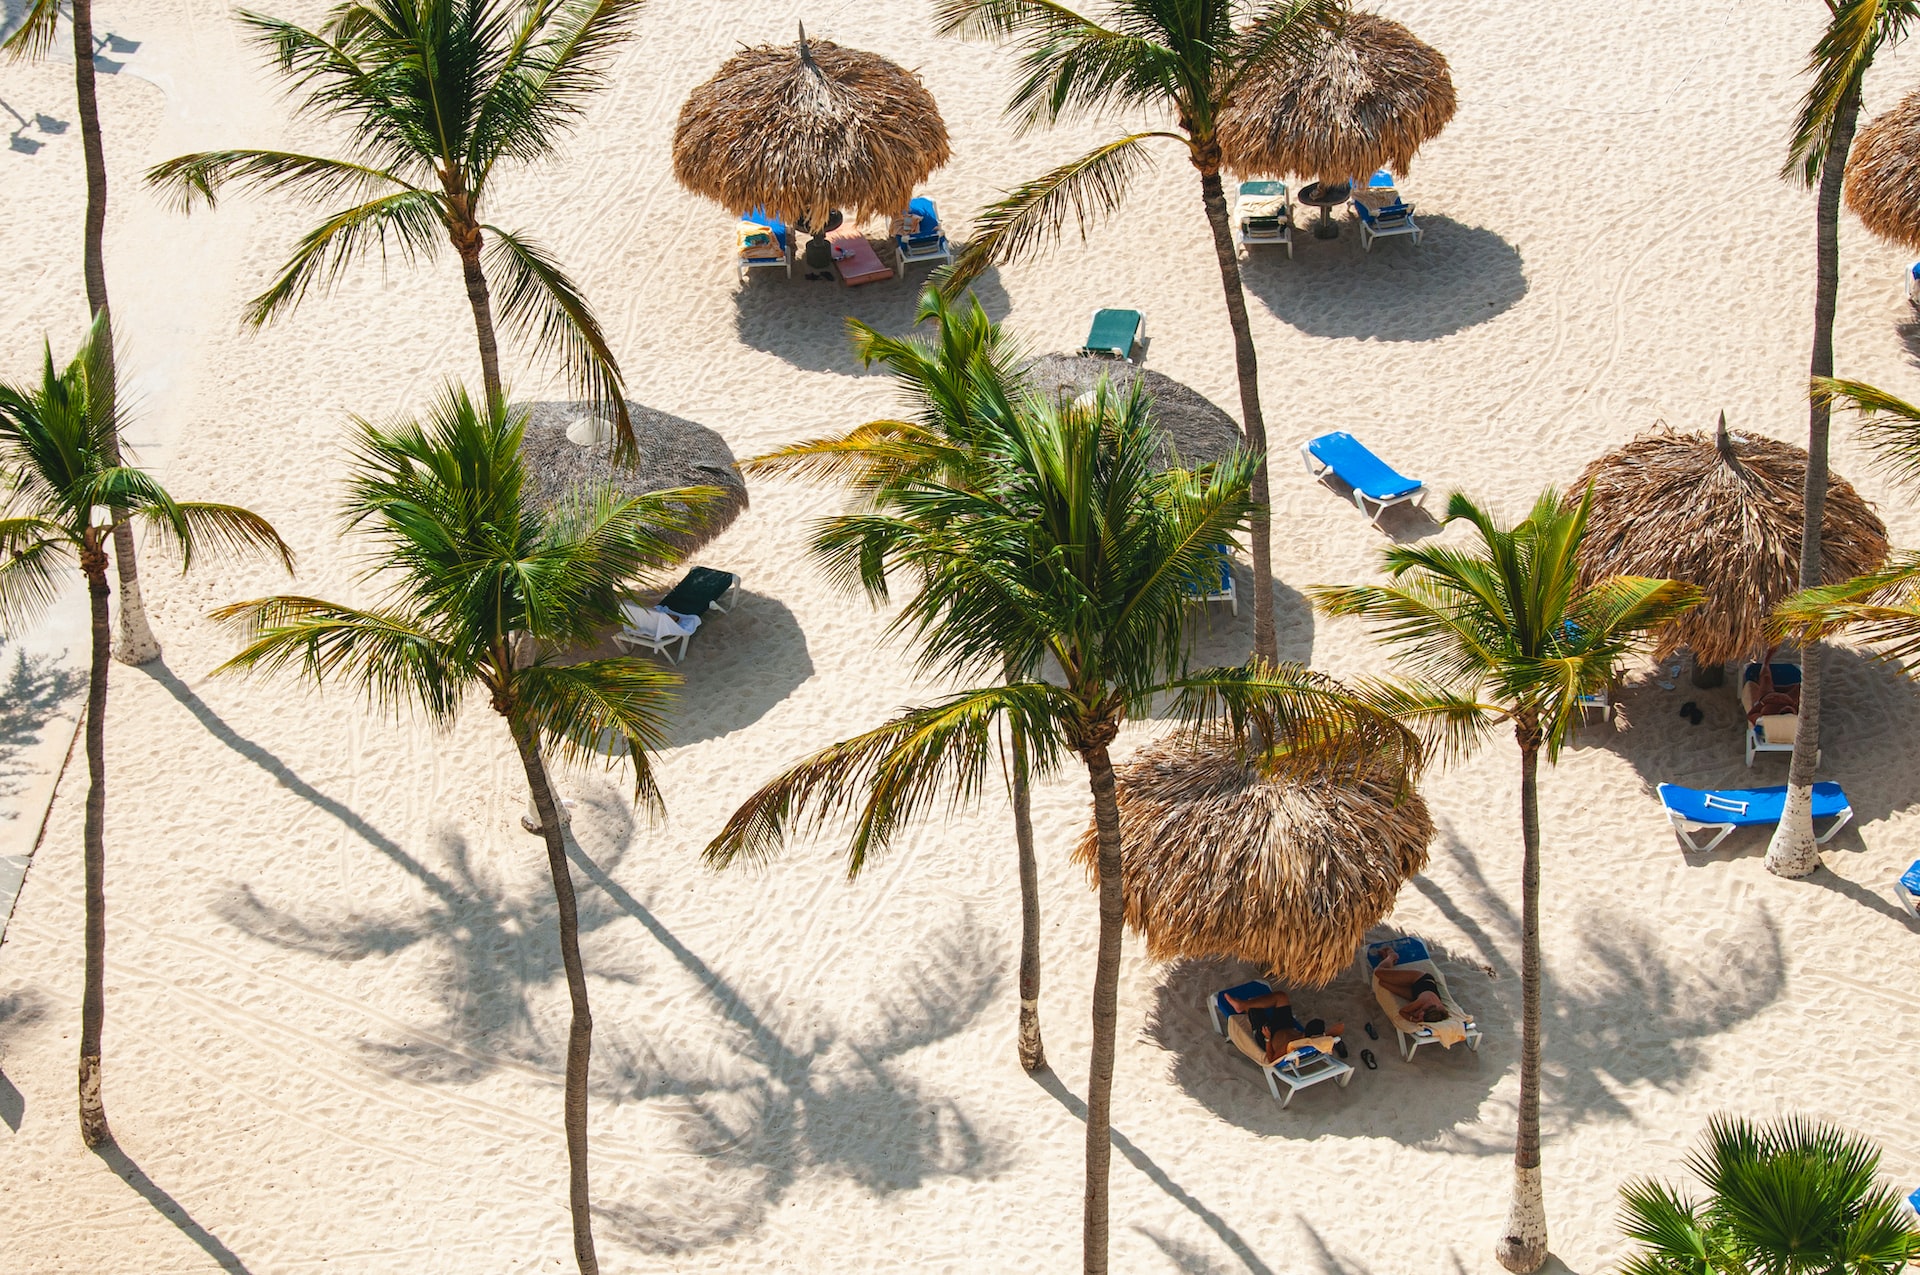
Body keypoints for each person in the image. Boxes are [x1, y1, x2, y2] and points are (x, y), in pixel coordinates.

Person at [1222, 987, 1344, 1064]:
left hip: (1269, 1034)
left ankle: (1242, 1005)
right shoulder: (1318, 1041)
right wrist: (1327, 1036)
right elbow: (1341, 1026)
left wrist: (1267, 1038)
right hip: (1285, 1026)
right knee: (1281, 997)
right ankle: (1244, 1004)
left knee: (1255, 1009)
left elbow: (1272, 1059)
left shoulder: (1290, 1046)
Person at [1373, 947, 1450, 1024]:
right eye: (1421, 1016)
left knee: (1382, 983)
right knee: (1378, 972)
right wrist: (1412, 1019)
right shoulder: (1423, 1001)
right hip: (1419, 979)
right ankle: (1392, 956)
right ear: (1426, 1009)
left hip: (1415, 993)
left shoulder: (1438, 1012)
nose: (1419, 1017)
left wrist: (1417, 1017)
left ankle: (1388, 963)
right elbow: (1402, 1011)